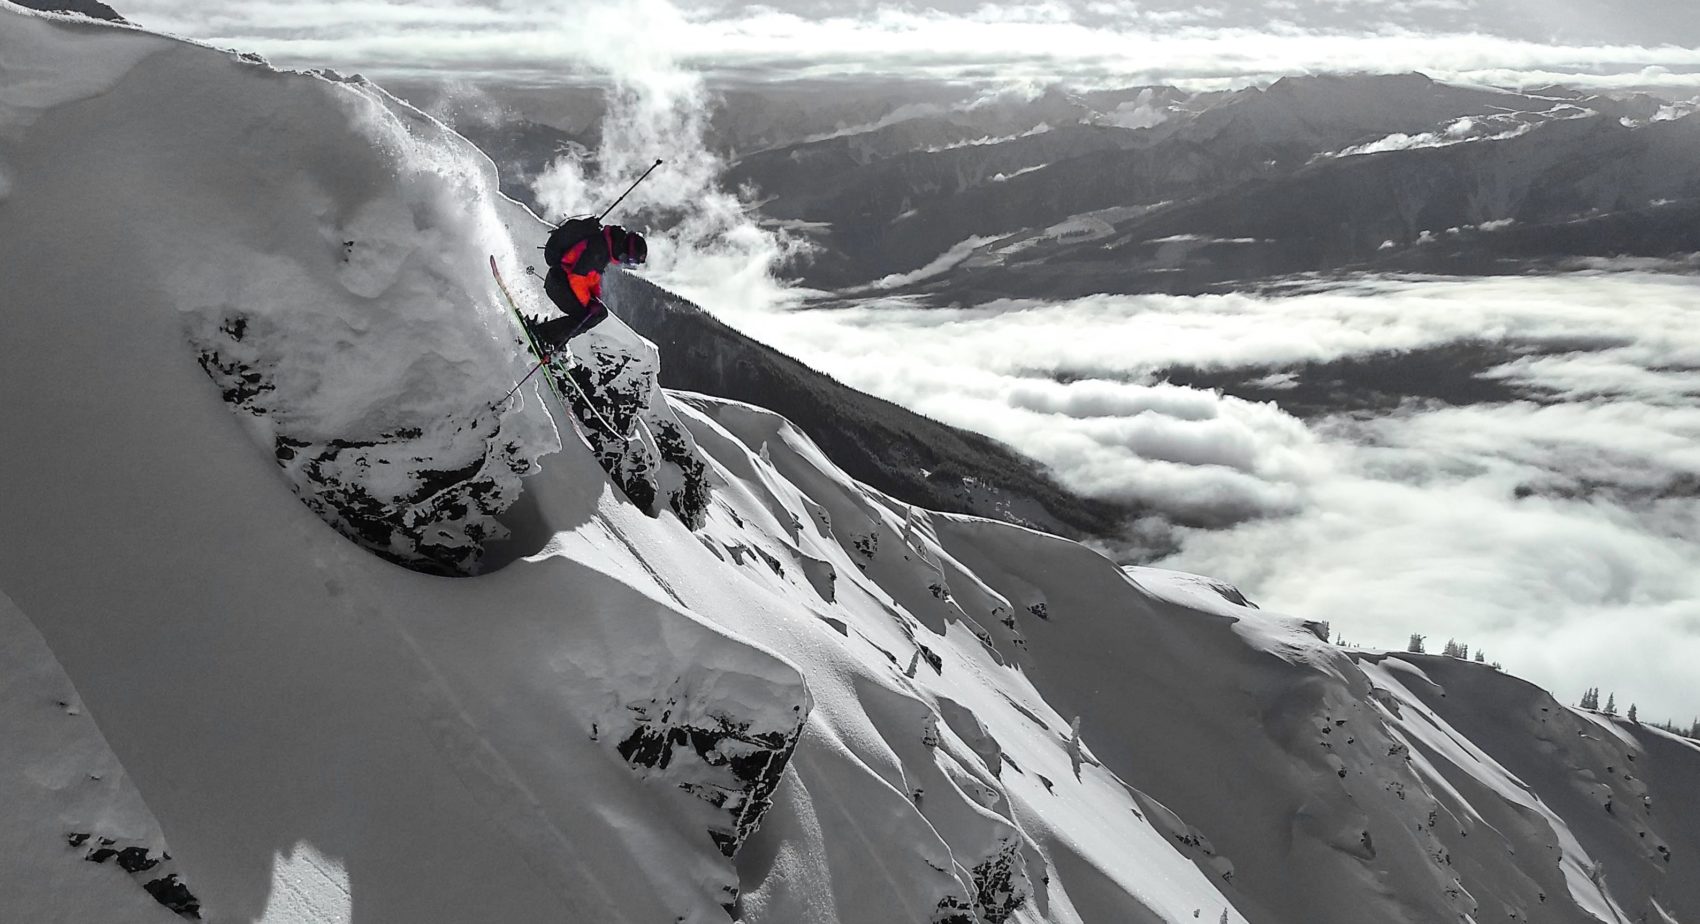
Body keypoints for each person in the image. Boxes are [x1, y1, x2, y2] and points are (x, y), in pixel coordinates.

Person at [528, 217, 648, 350]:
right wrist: (588, 303)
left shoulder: (604, 247)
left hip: (559, 280)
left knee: (596, 313)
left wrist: (594, 297)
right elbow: (577, 276)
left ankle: (554, 337)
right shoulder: (599, 250)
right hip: (558, 282)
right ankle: (543, 335)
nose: (624, 262)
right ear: (624, 249)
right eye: (628, 259)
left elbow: (590, 278)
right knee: (593, 315)